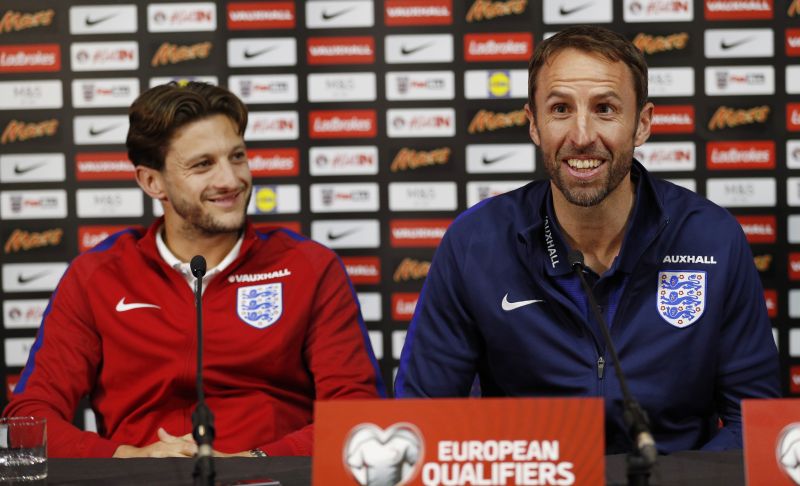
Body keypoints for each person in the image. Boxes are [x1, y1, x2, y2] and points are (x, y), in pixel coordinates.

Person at [394, 26, 780, 454]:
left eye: (605, 109)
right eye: (560, 109)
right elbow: (422, 418)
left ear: (643, 123)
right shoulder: (475, 243)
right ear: (534, 124)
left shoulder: (712, 236)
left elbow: (755, 421)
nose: (581, 135)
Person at [4, 81, 385, 458]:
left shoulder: (309, 267)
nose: (231, 180)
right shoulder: (98, 275)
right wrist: (129, 460)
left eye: (237, 157)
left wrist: (252, 464)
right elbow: (29, 418)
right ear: (152, 181)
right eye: (203, 164)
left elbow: (358, 415)